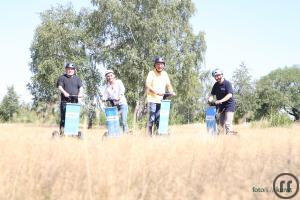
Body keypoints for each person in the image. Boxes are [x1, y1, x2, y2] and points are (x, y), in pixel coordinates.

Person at [145, 57, 176, 136]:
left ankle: (159, 134)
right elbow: (148, 84)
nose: (160, 66)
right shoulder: (151, 73)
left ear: (164, 65)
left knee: (159, 118)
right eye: (158, 64)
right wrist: (156, 92)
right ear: (155, 65)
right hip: (152, 99)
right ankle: (149, 136)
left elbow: (168, 85)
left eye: (161, 64)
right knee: (151, 118)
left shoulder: (165, 74)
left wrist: (171, 92)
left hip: (161, 100)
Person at [57, 63, 83, 134]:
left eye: (71, 69)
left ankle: (73, 133)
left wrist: (80, 94)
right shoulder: (62, 77)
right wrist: (64, 92)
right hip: (65, 101)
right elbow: (60, 87)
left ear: (74, 70)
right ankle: (62, 133)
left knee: (74, 118)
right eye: (68, 69)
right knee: (64, 118)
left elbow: (81, 87)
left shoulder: (77, 78)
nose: (70, 70)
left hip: (74, 102)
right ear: (66, 70)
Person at [208, 68, 236, 134]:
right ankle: (222, 141)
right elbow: (212, 95)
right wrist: (210, 100)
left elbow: (229, 95)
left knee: (227, 124)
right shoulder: (216, 85)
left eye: (218, 75)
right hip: (221, 107)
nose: (217, 77)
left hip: (229, 106)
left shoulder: (227, 83)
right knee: (221, 125)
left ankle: (230, 140)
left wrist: (221, 100)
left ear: (222, 75)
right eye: (215, 76)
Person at [102, 69, 128, 133]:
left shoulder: (119, 82)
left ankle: (126, 134)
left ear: (114, 76)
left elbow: (122, 89)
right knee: (115, 120)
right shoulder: (107, 86)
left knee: (123, 120)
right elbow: (105, 95)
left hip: (122, 104)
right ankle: (117, 133)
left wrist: (119, 96)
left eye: (111, 75)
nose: (110, 77)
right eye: (108, 76)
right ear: (106, 78)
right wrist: (103, 99)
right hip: (114, 106)